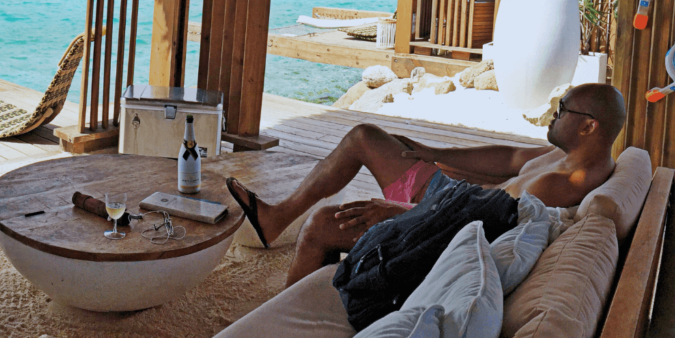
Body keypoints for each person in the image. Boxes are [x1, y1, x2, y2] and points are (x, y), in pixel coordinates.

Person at [226, 83, 626, 287]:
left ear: (589, 126)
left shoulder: (563, 182)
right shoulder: (566, 156)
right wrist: (432, 151)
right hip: (452, 196)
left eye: (563, 110)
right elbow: (507, 160)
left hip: (437, 217)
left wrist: (400, 211)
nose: (553, 115)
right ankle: (275, 218)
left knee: (320, 226)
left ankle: (285, 313)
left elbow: (475, 224)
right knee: (364, 136)